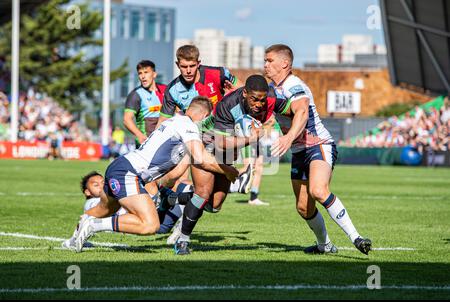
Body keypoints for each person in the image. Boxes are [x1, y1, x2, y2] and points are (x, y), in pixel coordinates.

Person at [74, 97, 239, 252]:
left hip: (121, 167)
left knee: (104, 209)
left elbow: (175, 173)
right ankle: (94, 225)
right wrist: (228, 171)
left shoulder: (175, 123)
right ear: (205, 116)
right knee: (150, 225)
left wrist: (163, 191)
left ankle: (73, 239)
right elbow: (202, 158)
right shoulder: (187, 125)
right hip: (129, 173)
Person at [264, 44, 372, 255]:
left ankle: (357, 238)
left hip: (318, 145)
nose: (265, 65)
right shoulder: (271, 90)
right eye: (265, 61)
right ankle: (325, 245)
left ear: (284, 63)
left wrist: (288, 137)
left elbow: (302, 112)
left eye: (269, 61)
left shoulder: (295, 85)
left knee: (318, 190)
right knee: (304, 207)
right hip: (298, 152)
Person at [172, 75, 286, 255]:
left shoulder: (269, 99)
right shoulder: (228, 104)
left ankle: (175, 198)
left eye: (262, 100)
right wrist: (252, 138)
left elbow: (291, 109)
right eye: (254, 99)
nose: (258, 104)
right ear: (245, 93)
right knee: (203, 194)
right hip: (206, 140)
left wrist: (287, 134)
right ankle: (183, 241)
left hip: (228, 148)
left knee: (215, 205)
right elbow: (220, 143)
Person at [61, 171, 127, 250]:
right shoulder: (92, 202)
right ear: (88, 192)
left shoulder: (108, 198)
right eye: (96, 185)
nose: (101, 186)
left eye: (103, 183)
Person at [123, 60, 166, 148]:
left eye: (146, 72)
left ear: (154, 74)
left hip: (165, 141)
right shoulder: (135, 95)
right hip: (145, 142)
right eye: (140, 73)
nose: (143, 76)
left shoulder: (165, 90)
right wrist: (139, 135)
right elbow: (127, 120)